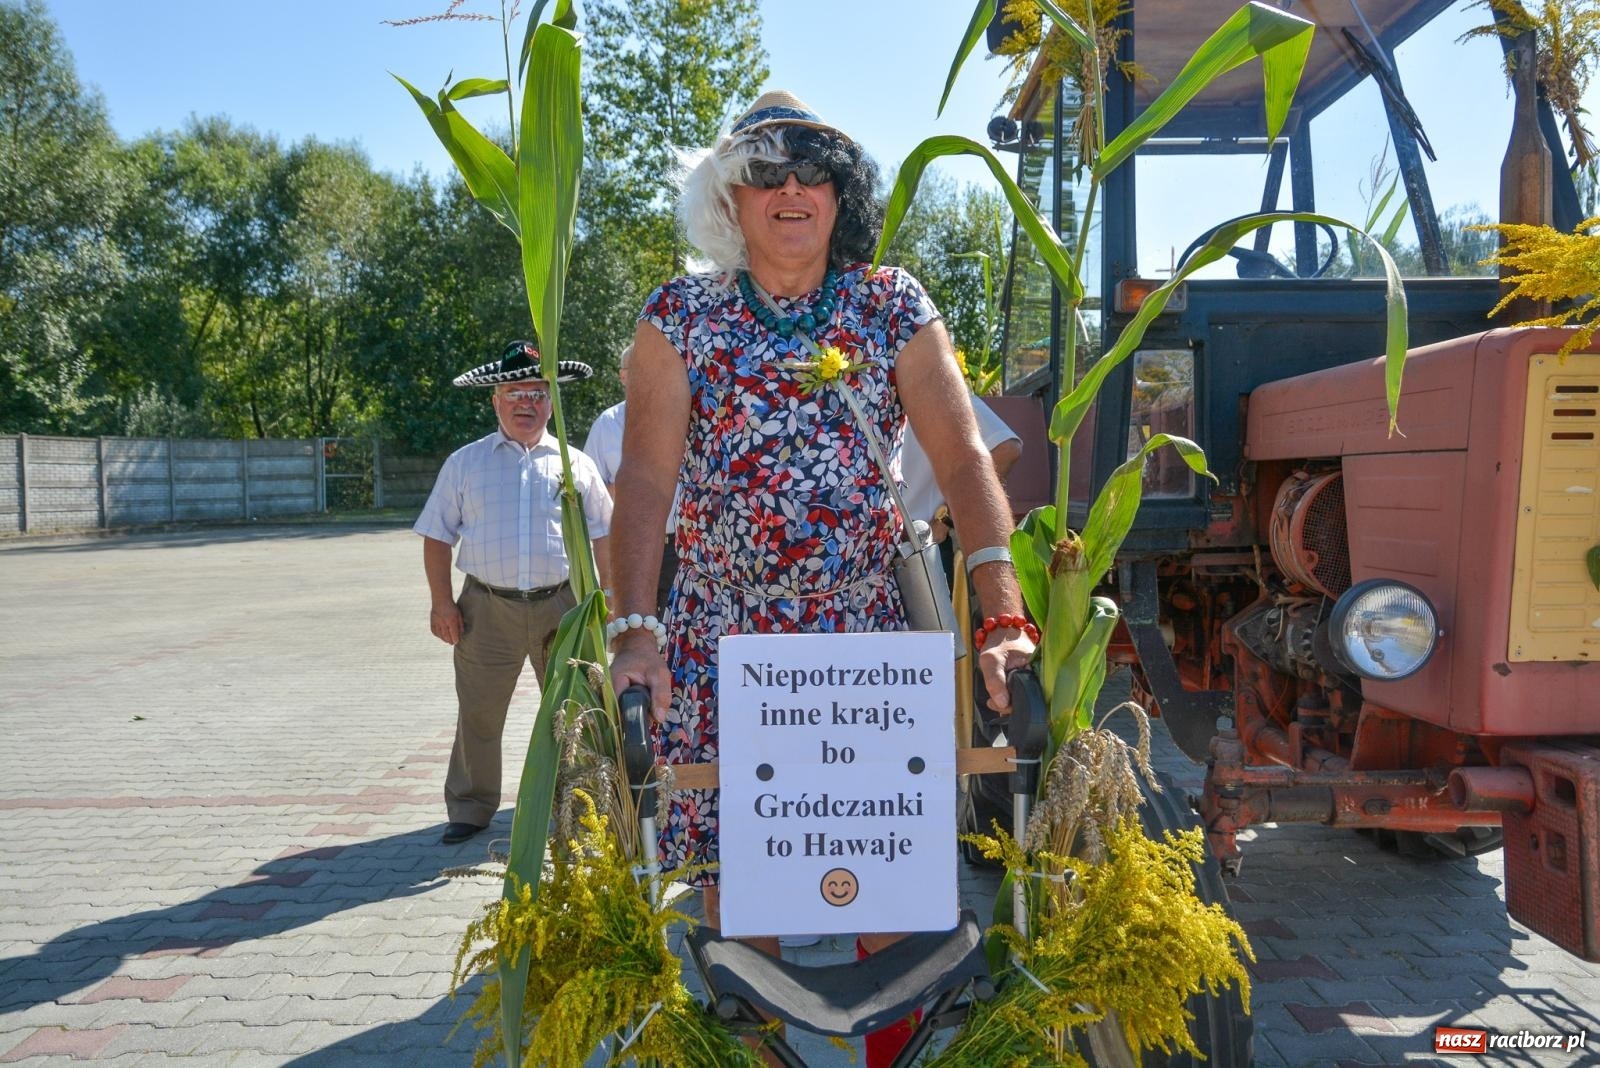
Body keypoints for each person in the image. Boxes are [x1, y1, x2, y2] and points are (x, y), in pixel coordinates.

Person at [607, 90, 1036, 1068]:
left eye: (814, 172)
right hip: (725, 642)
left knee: (889, 886)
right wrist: (636, 630)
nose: (792, 189)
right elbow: (645, 480)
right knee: (743, 897)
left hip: (863, 640)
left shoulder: (889, 303)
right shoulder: (678, 316)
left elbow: (963, 459)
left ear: (841, 196)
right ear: (731, 198)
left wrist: (1003, 617)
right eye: (766, 172)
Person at [414, 339, 613, 846]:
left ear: (552, 402)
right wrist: (442, 602)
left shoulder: (575, 465)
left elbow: (603, 535)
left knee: (576, 711)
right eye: (515, 392)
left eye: (538, 393)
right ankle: (471, 806)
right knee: (478, 711)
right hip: (485, 607)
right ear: (495, 400)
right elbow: (436, 535)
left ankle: (582, 810)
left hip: (564, 607)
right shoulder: (466, 464)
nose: (527, 403)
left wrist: (607, 599)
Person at [582, 342, 677, 612]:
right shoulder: (606, 425)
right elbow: (588, 492)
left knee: (679, 630)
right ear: (622, 376)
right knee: (633, 626)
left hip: (680, 548)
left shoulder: (682, 417)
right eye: (638, 369)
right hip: (629, 548)